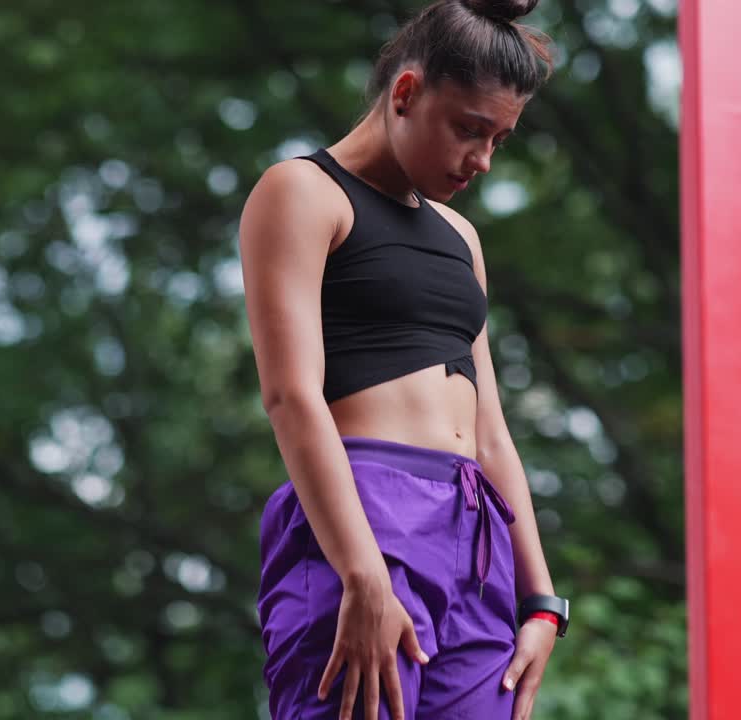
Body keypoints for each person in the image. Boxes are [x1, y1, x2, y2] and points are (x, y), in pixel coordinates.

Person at [238, 1, 570, 718]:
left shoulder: (460, 237)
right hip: (364, 516)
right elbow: (292, 395)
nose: (480, 160)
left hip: (477, 541)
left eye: (499, 141)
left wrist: (541, 601)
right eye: (468, 130)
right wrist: (361, 572)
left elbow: (491, 434)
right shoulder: (303, 192)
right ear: (406, 93)